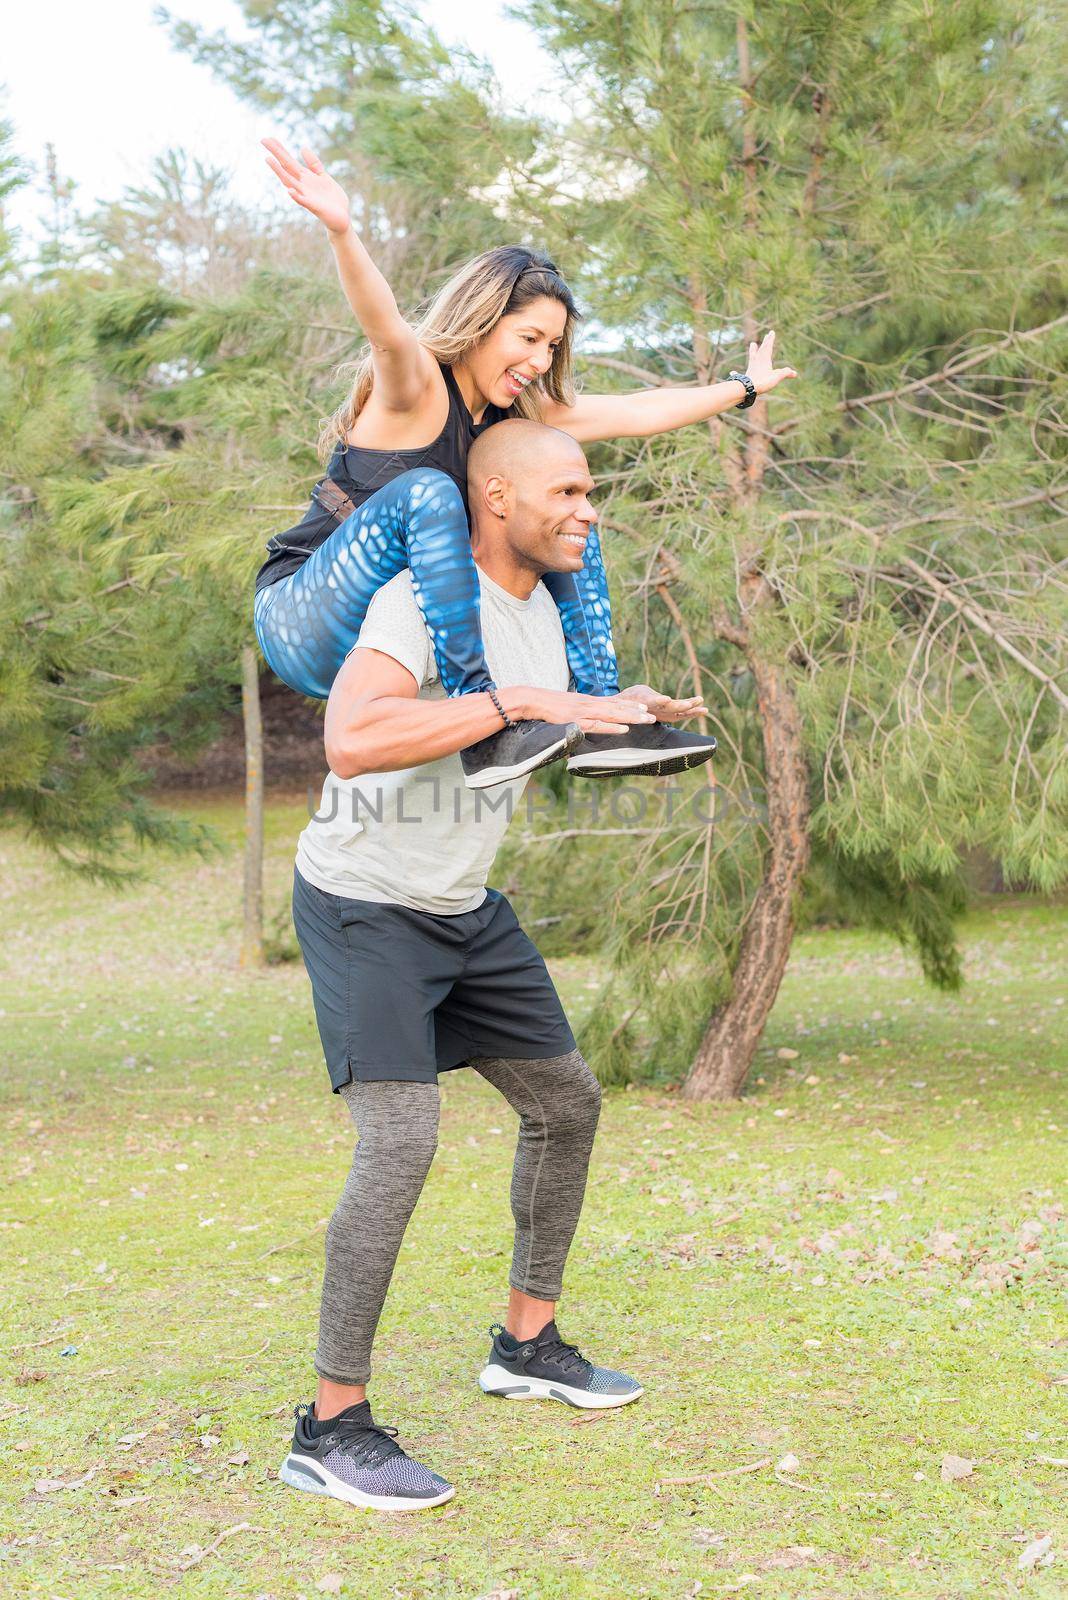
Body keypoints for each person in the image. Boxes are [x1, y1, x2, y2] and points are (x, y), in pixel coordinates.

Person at [279, 419, 709, 1513]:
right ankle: (329, 1425)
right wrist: (526, 701)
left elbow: (527, 725)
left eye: (590, 489)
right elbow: (352, 737)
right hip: (367, 903)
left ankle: (527, 1342)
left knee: (567, 1104)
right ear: (498, 498)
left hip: (463, 907)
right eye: (565, 490)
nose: (588, 510)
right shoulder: (422, 600)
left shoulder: (549, 619)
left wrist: (619, 717)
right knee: (400, 1144)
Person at [253, 138, 796, 788]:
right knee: (429, 492)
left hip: (385, 628)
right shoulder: (418, 390)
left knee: (562, 514)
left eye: (553, 346)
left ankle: (602, 715)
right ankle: (488, 721)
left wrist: (744, 388)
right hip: (301, 613)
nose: (541, 361)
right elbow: (386, 328)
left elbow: (634, 411)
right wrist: (342, 231)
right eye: (529, 339)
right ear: (483, 323)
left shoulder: (519, 419)